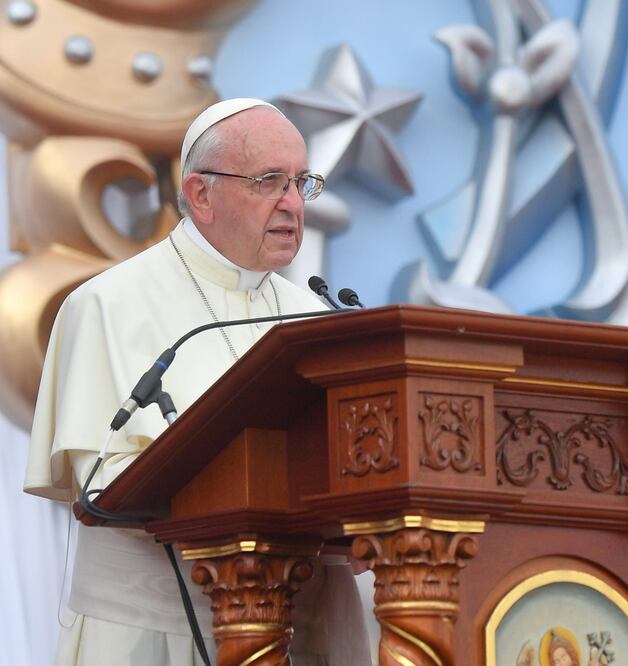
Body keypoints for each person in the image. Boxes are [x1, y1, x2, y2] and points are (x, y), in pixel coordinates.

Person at [23, 98, 371, 665]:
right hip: (153, 629)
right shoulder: (107, 304)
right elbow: (102, 489)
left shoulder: (314, 313)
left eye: (300, 183)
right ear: (201, 194)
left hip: (310, 626)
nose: (291, 205)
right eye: (268, 182)